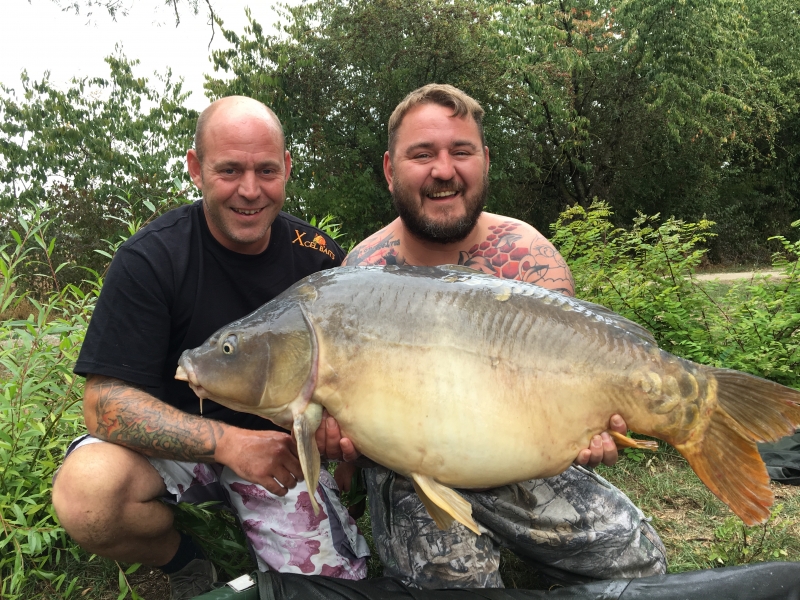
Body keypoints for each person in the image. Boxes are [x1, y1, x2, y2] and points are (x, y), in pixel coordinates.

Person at [318, 84, 667, 589]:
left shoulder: (527, 255)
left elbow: (572, 385)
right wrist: (338, 438)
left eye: (461, 152)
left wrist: (594, 428)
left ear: (485, 160)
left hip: (524, 463)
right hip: (416, 472)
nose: (443, 170)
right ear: (391, 170)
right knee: (459, 583)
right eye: (422, 154)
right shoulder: (362, 274)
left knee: (643, 564)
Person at [52, 96, 369, 600]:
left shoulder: (320, 261)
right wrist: (228, 443)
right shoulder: (151, 258)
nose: (250, 190)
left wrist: (344, 450)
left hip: (280, 451)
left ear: (286, 168)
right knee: (87, 495)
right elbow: (103, 404)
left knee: (330, 592)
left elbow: (354, 379)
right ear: (196, 169)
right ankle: (183, 560)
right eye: (229, 170)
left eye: (266, 170)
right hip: (175, 446)